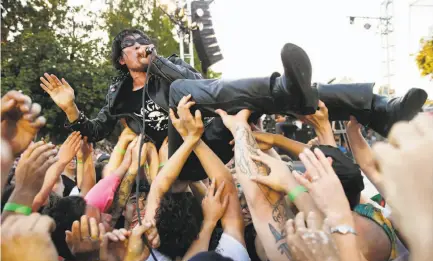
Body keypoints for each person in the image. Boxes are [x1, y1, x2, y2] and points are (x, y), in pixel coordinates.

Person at [41, 28, 427, 181]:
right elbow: (94, 131)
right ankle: (291, 91)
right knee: (190, 96)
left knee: (244, 96)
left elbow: (199, 85)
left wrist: (158, 61)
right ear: (121, 59)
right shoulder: (119, 92)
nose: (141, 46)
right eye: (131, 45)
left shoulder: (169, 65)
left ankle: (381, 109)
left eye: (145, 40)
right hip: (177, 158)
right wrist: (70, 108)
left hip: (208, 139)